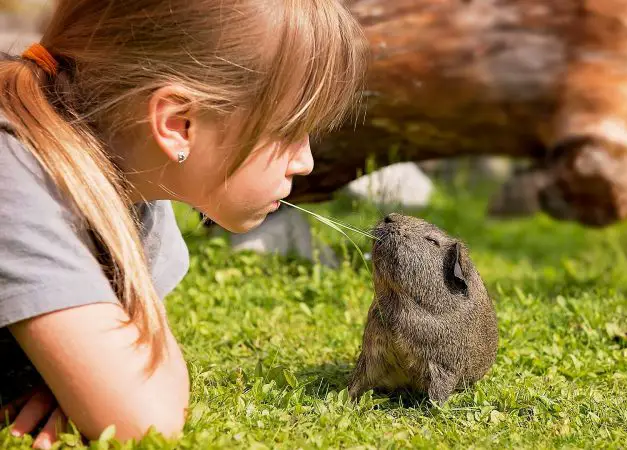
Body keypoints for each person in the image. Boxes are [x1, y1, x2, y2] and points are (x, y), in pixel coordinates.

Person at [0, 1, 368, 448]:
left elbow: (135, 369)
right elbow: (146, 420)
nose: (305, 161)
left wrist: (76, 376)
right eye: (289, 130)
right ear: (177, 124)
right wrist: (107, 383)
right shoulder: (14, 174)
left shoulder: (136, 182)